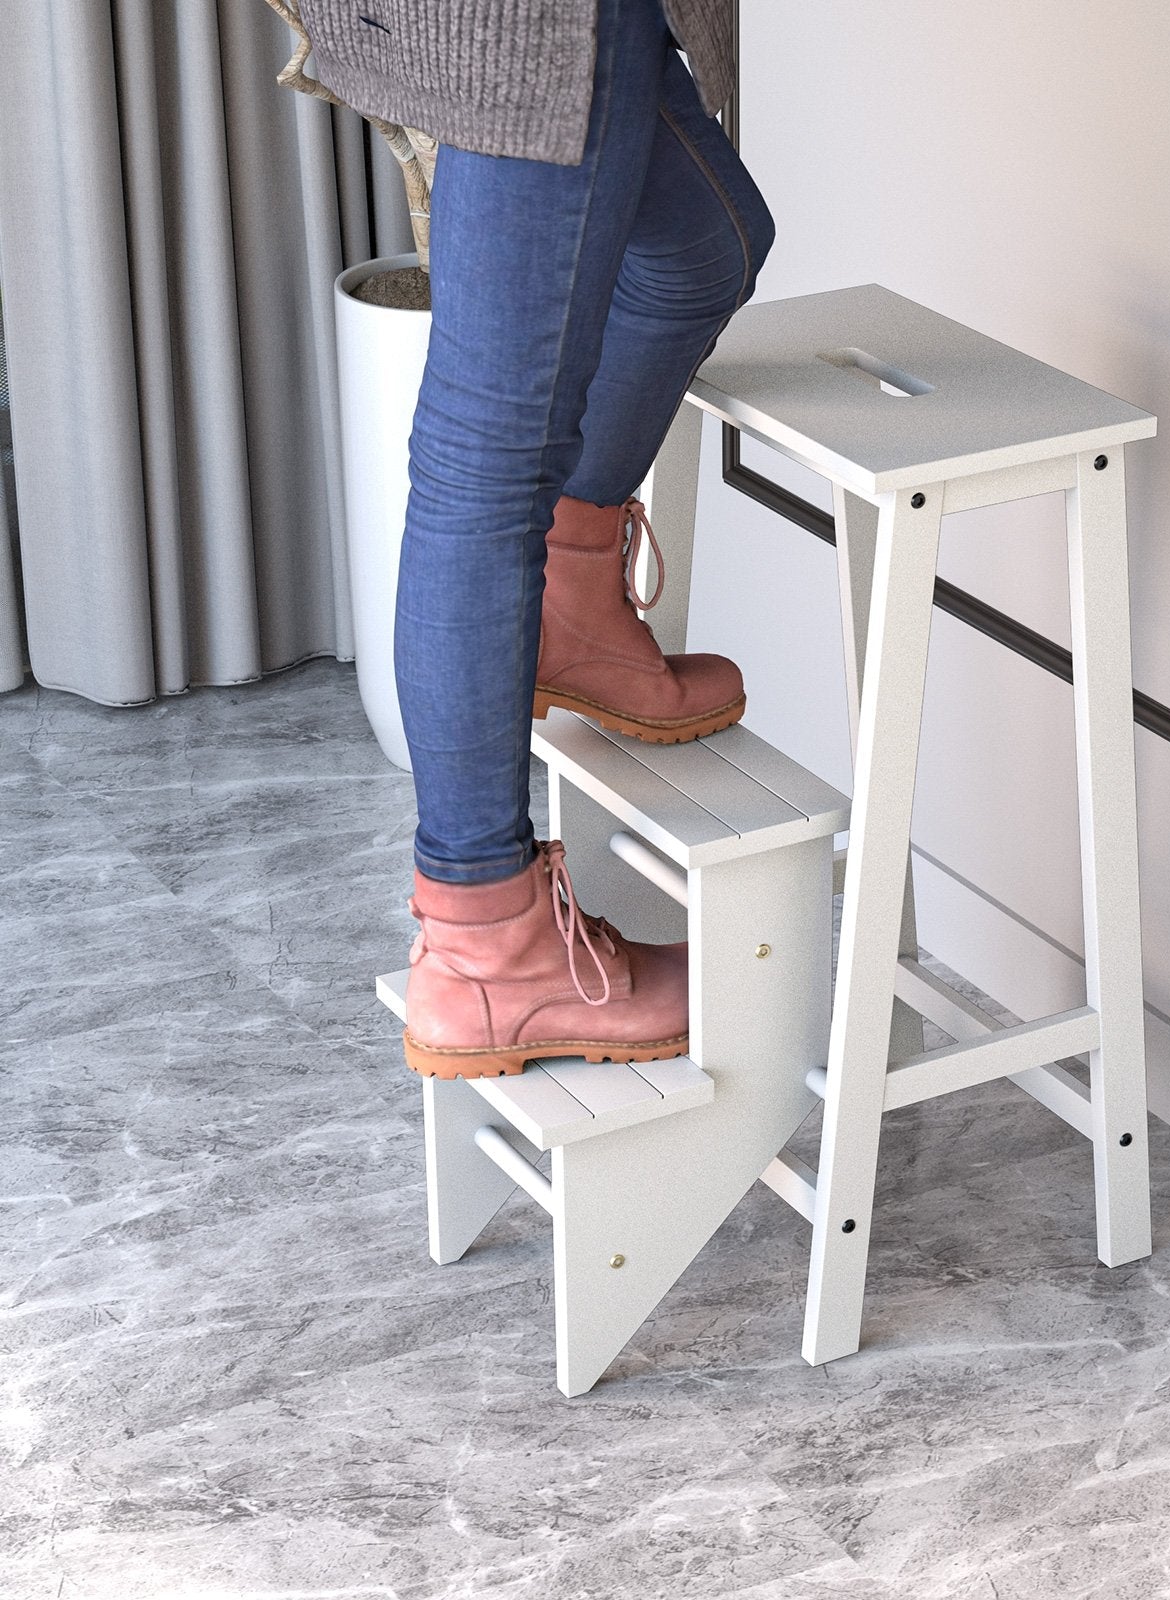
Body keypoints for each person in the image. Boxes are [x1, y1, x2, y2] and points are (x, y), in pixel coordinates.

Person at [299, 0, 774, 1077]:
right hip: (527, 20)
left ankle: (574, 603)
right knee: (489, 448)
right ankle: (486, 946)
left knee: (706, 249)